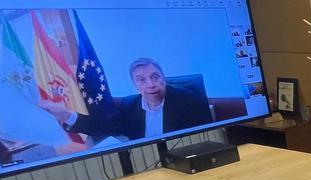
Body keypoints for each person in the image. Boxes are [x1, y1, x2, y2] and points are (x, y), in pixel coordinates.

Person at [39, 57, 212, 141]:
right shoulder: (130, 106)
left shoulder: (188, 101)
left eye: (155, 77)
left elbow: (205, 138)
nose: (151, 84)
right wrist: (66, 115)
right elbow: (104, 126)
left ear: (163, 78)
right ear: (135, 85)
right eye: (141, 80)